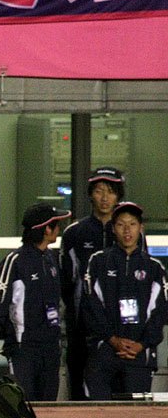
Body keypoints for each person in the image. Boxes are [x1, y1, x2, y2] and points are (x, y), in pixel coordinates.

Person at [81, 202, 167, 399]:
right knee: (99, 411)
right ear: (113, 228)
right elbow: (90, 306)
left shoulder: (154, 267)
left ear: (140, 228)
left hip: (139, 355)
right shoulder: (98, 261)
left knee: (135, 412)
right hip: (104, 352)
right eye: (121, 224)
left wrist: (141, 344)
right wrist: (112, 339)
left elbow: (160, 312)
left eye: (132, 224)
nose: (127, 230)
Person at [0, 204, 72, 402]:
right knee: (23, 404)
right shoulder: (15, 260)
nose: (58, 229)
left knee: (48, 406)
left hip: (51, 348)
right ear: (46, 229)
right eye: (56, 225)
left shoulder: (51, 258)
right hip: (24, 349)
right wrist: (15, 336)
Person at [60, 167, 125, 400]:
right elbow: (66, 283)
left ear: (118, 196)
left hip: (122, 329)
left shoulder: (129, 231)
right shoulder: (74, 233)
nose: (105, 198)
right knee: (80, 394)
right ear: (90, 195)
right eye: (99, 191)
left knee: (122, 395)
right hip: (82, 330)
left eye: (111, 191)